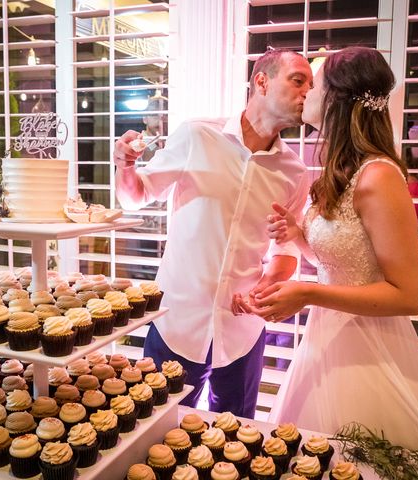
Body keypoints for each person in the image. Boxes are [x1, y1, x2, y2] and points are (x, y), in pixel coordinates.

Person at [245, 46, 418, 462]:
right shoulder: (342, 168)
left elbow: (409, 296)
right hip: (327, 338)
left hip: (369, 349)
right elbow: (342, 261)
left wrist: (308, 294)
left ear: (338, 98)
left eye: (316, 82)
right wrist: (298, 234)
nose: (307, 90)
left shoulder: (379, 177)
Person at [113, 48, 313, 417]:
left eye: (312, 86)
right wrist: (125, 165)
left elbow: (286, 250)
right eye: (298, 80)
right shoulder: (197, 135)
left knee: (236, 442)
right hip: (176, 322)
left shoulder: (295, 172)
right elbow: (135, 197)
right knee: (157, 433)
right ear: (262, 81)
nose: (308, 93)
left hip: (243, 332)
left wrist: (265, 287)